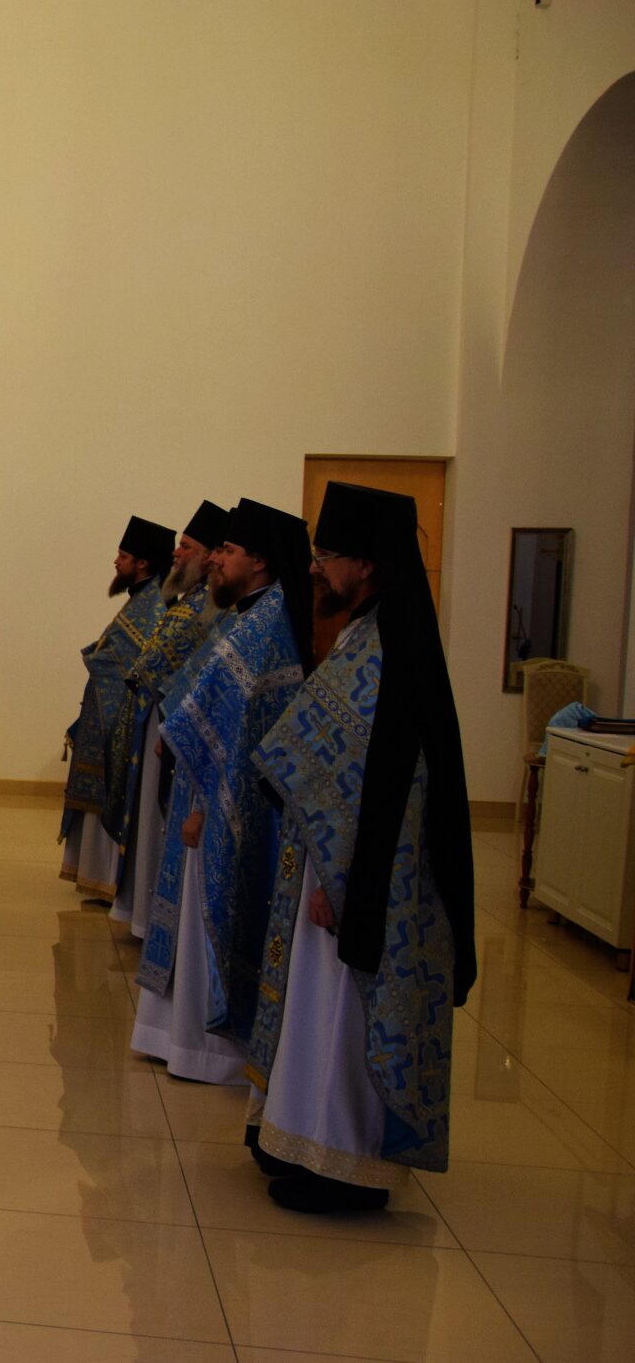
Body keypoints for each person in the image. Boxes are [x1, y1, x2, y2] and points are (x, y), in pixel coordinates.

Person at [245, 482, 475, 1213]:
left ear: (367, 564)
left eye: (329, 556)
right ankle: (307, 1143)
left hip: (362, 879)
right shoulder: (366, 632)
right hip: (334, 865)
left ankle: (349, 1169)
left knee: (345, 1016)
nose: (316, 568)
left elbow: (389, 795)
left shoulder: (392, 652)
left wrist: (343, 884)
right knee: (321, 1012)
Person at [132, 499, 314, 1084]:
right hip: (206, 788)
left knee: (211, 917)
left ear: (259, 562)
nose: (215, 561)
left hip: (224, 801)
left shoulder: (268, 626)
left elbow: (241, 733)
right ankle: (178, 1038)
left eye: (227, 552)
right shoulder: (248, 616)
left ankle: (208, 1052)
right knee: (191, 917)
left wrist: (208, 807)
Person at [109, 500, 227, 933]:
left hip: (173, 726)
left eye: (187, 546)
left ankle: (151, 918)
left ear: (209, 556)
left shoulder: (209, 607)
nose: (176, 553)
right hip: (158, 719)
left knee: (157, 823)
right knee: (145, 822)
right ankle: (141, 913)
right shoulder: (189, 600)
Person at [60, 514, 173, 900]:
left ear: (142, 563)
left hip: (119, 720)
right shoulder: (141, 600)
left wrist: (98, 658)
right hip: (104, 715)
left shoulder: (152, 605)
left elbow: (130, 663)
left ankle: (107, 877)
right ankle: (94, 873)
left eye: (123, 556)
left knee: (111, 790)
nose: (116, 561)